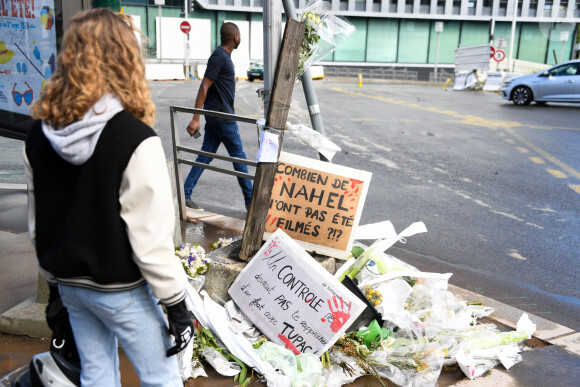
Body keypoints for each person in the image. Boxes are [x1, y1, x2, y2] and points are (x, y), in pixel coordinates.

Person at [25, 8, 193, 386]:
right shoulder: (135, 139)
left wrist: (54, 286)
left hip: (70, 286)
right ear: (125, 58)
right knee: (161, 378)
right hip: (122, 290)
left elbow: (39, 224)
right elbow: (150, 242)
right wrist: (176, 304)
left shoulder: (40, 134)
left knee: (96, 375)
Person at [185, 22, 253, 211]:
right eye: (240, 36)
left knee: (205, 155)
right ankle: (251, 202)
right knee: (239, 157)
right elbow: (204, 86)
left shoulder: (222, 57)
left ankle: (185, 193)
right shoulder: (220, 57)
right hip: (223, 118)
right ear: (236, 38)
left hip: (216, 116)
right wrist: (196, 118)